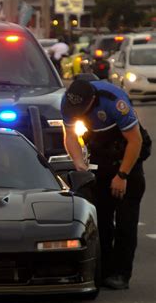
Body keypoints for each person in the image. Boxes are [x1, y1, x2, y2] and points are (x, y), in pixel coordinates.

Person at [61, 78, 147, 290]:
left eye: (83, 109)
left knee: (126, 223)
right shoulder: (68, 102)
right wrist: (80, 165)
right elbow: (70, 135)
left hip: (128, 157)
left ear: (92, 100)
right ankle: (105, 270)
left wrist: (122, 176)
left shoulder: (113, 101)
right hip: (101, 156)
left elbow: (135, 142)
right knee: (103, 220)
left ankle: (121, 273)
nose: (79, 112)